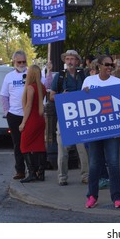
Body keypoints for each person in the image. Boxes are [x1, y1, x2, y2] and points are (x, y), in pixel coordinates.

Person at [82, 55, 120, 209]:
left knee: (113, 163)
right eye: (106, 64)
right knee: (94, 164)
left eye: (111, 65)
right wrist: (84, 94)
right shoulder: (89, 81)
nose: (109, 67)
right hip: (94, 130)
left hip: (112, 130)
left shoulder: (117, 82)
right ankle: (92, 195)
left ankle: (117, 196)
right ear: (98, 65)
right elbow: (82, 105)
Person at [50, 50, 89, 186]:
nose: (70, 61)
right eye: (67, 59)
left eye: (72, 59)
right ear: (64, 61)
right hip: (64, 117)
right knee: (63, 149)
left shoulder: (83, 75)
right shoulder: (59, 76)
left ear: (77, 61)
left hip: (81, 117)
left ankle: (86, 176)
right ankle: (62, 177)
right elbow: (51, 96)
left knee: (83, 149)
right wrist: (62, 97)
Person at [0, 50, 28, 180]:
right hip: (14, 115)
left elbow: (45, 85)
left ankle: (34, 170)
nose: (22, 64)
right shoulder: (9, 77)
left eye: (24, 62)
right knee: (17, 144)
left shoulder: (31, 73)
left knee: (29, 143)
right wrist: (7, 112)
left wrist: (49, 71)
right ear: (14, 62)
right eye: (19, 62)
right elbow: (4, 96)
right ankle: (20, 171)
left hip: (29, 115)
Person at [18, 65, 47, 183]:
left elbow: (29, 106)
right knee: (39, 145)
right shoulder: (43, 87)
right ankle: (41, 173)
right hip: (40, 119)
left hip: (32, 120)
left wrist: (23, 123)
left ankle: (31, 173)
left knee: (24, 146)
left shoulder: (30, 88)